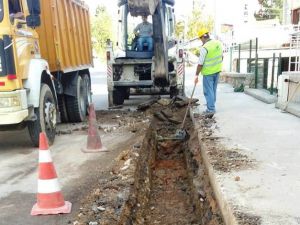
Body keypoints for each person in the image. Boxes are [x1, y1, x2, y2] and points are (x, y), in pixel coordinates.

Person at [194, 28, 223, 117]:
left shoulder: (204, 48)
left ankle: (210, 109)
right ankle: (211, 105)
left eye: (200, 38)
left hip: (208, 73)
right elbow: (222, 57)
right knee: (213, 90)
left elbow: (200, 64)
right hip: (217, 71)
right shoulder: (218, 43)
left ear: (203, 37)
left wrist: (196, 75)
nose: (201, 41)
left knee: (208, 91)